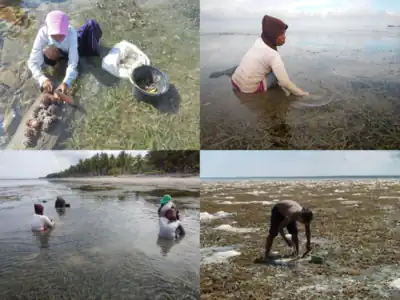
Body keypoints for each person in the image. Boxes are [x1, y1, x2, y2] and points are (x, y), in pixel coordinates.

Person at [231, 15, 310, 96]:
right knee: (277, 75)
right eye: (282, 34)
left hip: (234, 82)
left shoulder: (259, 41)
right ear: (274, 35)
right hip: (248, 89)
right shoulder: (273, 55)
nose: (284, 37)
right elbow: (284, 82)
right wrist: (301, 93)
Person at [27, 11, 102, 94]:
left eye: (61, 34)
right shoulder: (43, 33)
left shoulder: (71, 33)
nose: (58, 38)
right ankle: (59, 62)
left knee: (92, 26)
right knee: (46, 55)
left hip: (76, 46)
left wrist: (66, 82)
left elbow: (73, 63)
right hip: (61, 52)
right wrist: (42, 79)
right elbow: (32, 62)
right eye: (54, 35)